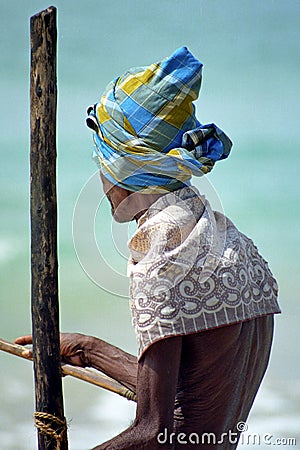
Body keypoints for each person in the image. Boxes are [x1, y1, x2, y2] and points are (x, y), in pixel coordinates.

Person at [16, 47, 281, 449]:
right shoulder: (233, 244)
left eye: (103, 162)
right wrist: (90, 350)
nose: (102, 180)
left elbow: (154, 431)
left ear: (124, 167)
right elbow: (191, 388)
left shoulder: (161, 254)